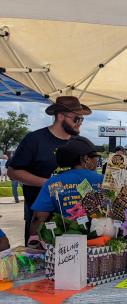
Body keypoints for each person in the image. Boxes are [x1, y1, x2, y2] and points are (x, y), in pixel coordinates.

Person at [8, 96, 90, 246]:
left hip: (74, 220)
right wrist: (48, 184)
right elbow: (13, 172)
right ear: (60, 116)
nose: (80, 124)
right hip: (39, 219)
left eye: (81, 120)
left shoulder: (79, 143)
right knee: (40, 263)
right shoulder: (34, 139)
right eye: (76, 119)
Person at [30, 136, 103, 241]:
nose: (97, 160)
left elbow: (39, 216)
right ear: (86, 159)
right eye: (95, 157)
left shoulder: (56, 183)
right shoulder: (102, 180)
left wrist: (33, 239)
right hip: (101, 242)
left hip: (65, 244)